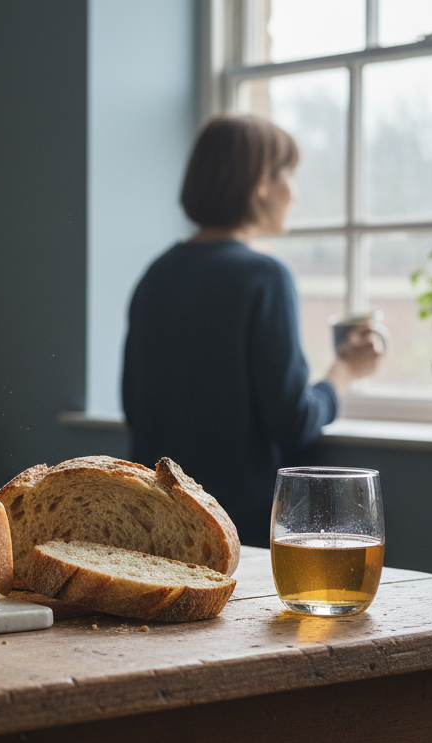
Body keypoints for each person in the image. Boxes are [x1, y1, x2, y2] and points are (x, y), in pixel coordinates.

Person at [121, 114, 381, 548]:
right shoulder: (264, 276)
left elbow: (136, 407)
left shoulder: (156, 275)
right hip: (236, 535)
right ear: (262, 181)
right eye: (288, 176)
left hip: (154, 531)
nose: (294, 193)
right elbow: (293, 422)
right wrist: (343, 373)